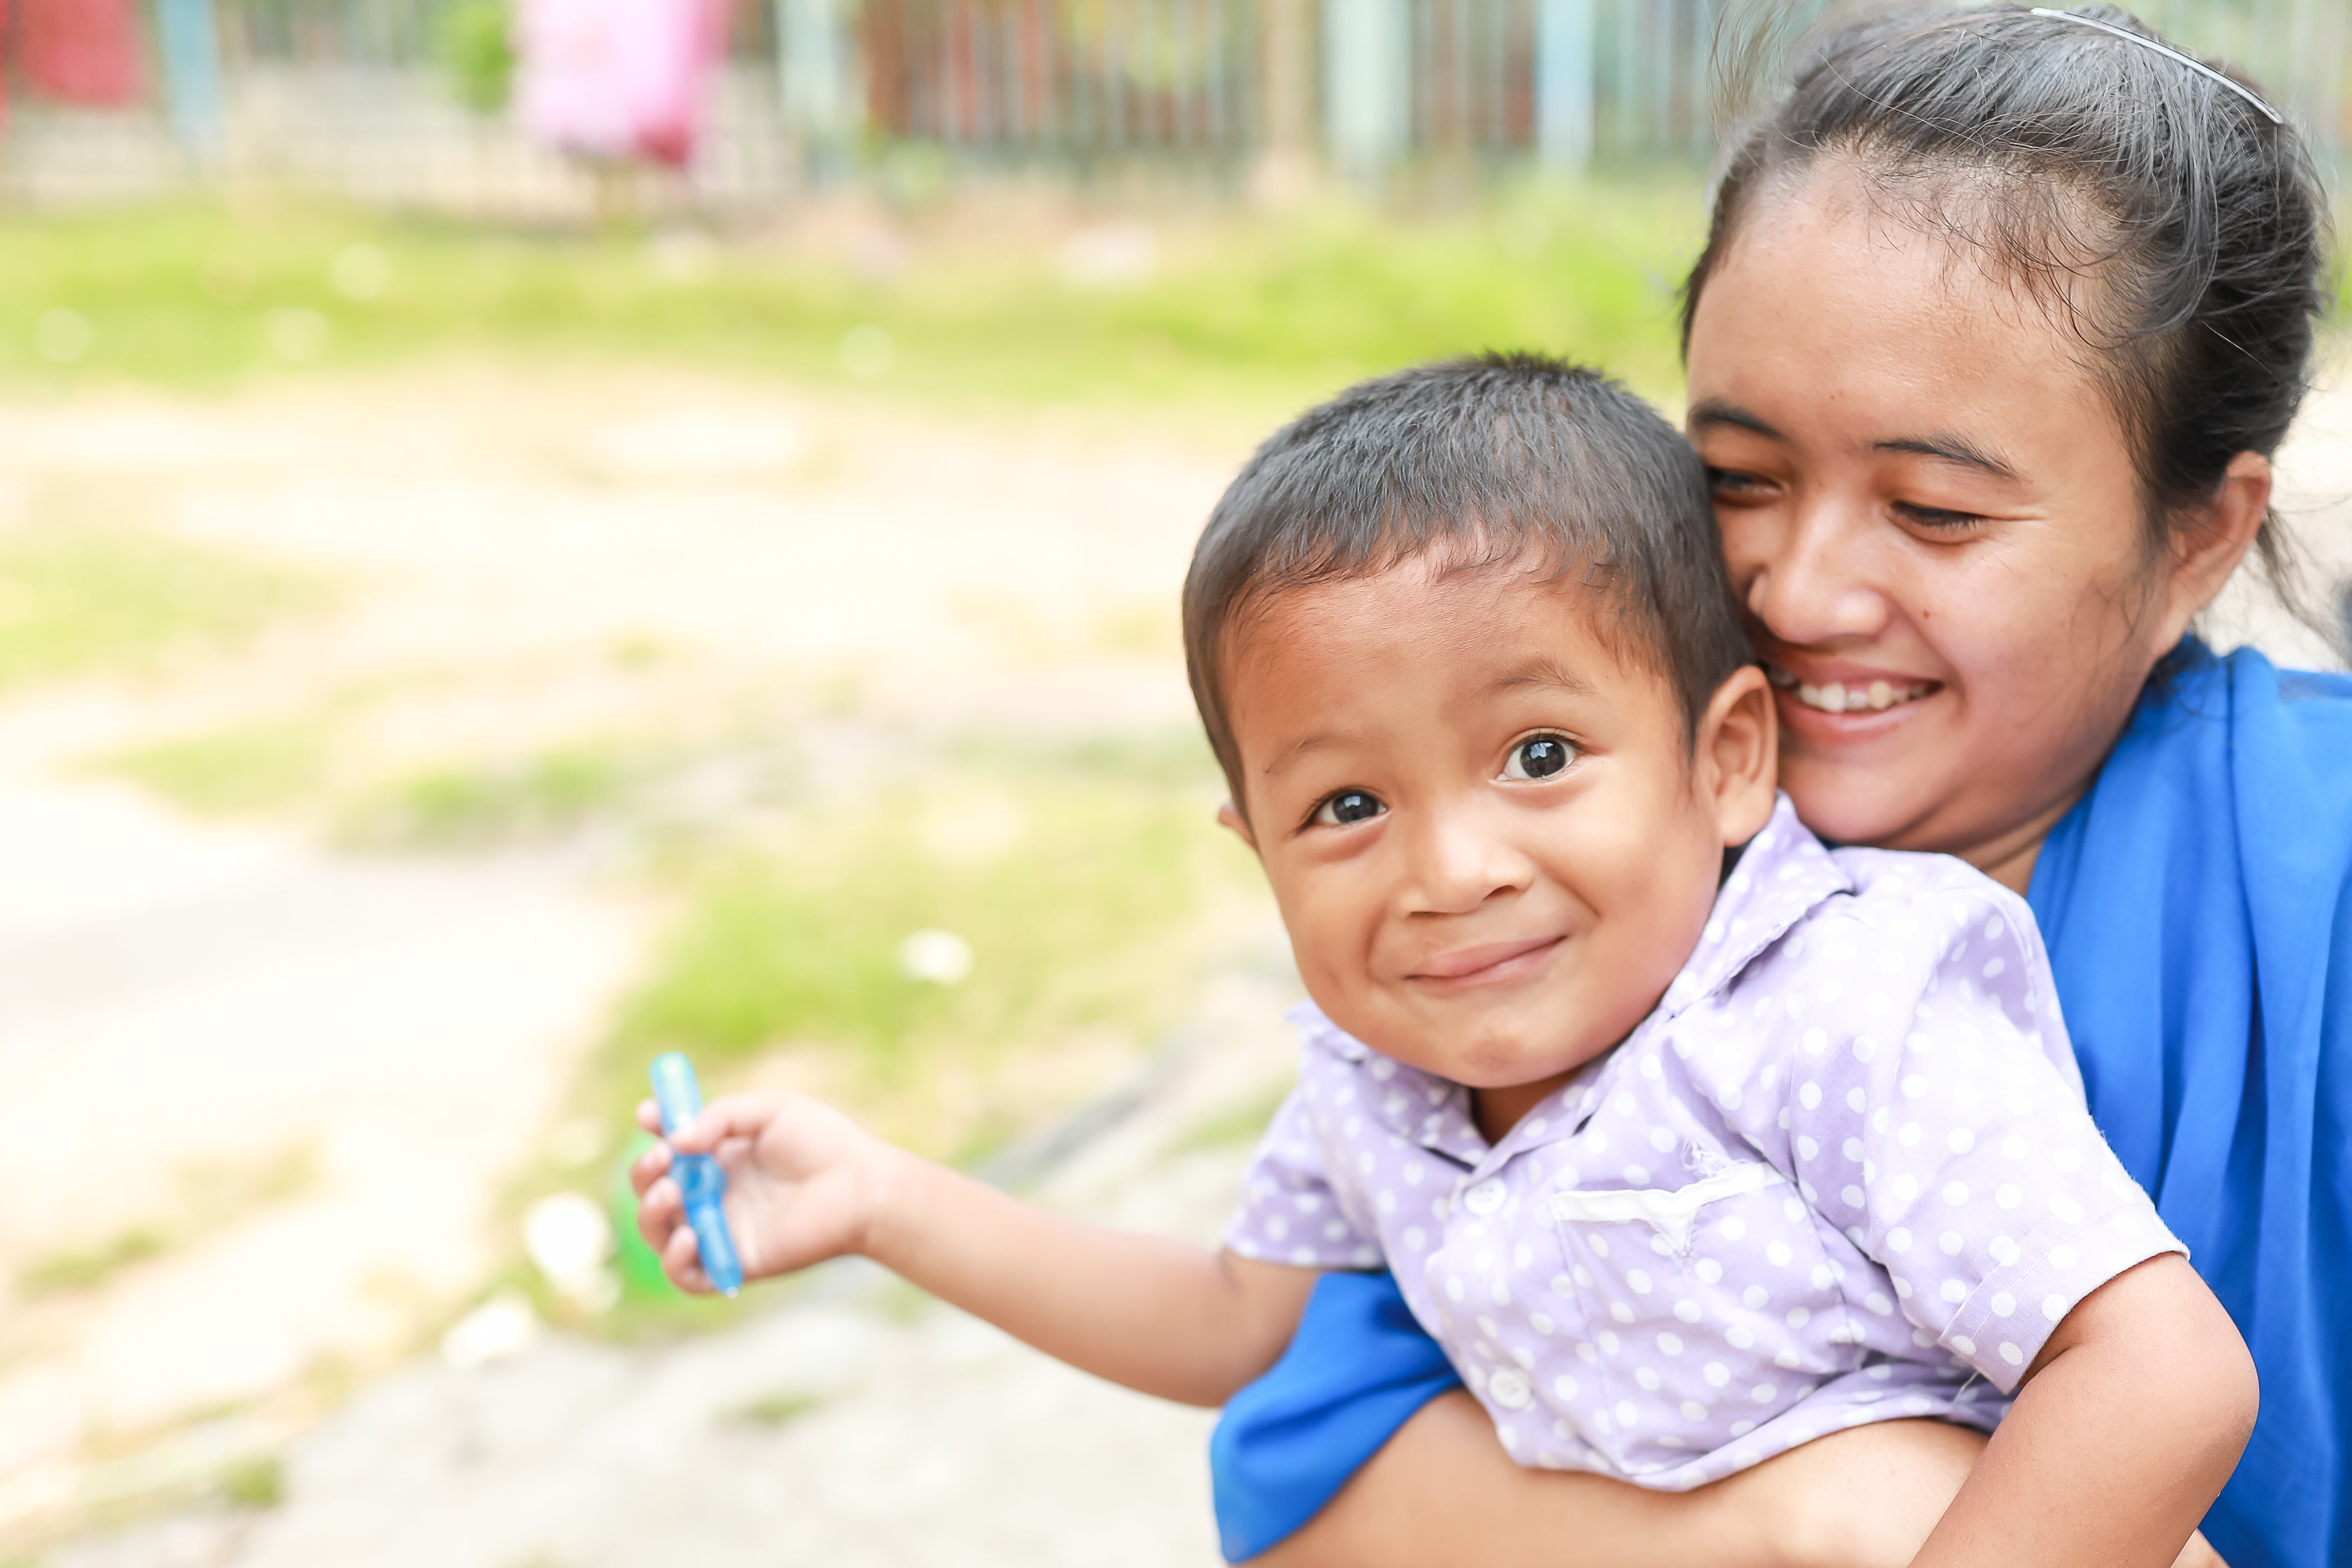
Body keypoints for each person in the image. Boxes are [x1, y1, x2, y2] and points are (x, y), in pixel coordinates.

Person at [631, 353, 2254, 1568]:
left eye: (1540, 755)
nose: (1451, 870)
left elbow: (2162, 1373)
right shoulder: (1385, 1077)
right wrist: (886, 1203)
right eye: (1346, 805)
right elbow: (1232, 1326)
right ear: (1252, 851)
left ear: (1730, 758)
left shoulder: (1836, 1010)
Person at [1209, 8, 2351, 1568]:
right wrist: (1805, 1514)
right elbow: (1312, 1482)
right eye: (1740, 476)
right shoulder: (1604, 905)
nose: (1800, 587)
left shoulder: (2316, 883)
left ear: (2199, 538)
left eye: (1937, 510)